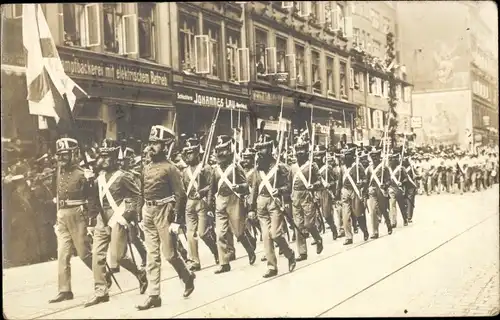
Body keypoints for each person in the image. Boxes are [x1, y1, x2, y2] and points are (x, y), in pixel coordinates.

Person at [136, 125, 196, 311]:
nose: (151, 147)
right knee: (152, 256)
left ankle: (187, 276)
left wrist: (177, 221)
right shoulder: (145, 167)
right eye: (151, 143)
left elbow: (181, 195)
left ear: (165, 146)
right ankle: (154, 295)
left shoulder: (171, 169)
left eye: (156, 144)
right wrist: (140, 214)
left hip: (165, 211)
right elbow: (142, 192)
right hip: (148, 212)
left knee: (170, 254)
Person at [84, 139, 148, 308]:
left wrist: (128, 215)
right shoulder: (98, 179)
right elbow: (93, 200)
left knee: (118, 256)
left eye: (106, 156)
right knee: (97, 254)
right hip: (101, 220)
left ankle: (140, 273)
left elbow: (137, 196)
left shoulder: (124, 176)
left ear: (114, 158)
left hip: (118, 217)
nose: (102, 159)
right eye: (101, 156)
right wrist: (91, 220)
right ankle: (101, 292)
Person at [48, 138, 104, 304]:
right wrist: (56, 217)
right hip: (62, 214)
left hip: (78, 213)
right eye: (60, 155)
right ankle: (64, 290)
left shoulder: (82, 173)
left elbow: (92, 197)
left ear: (74, 154)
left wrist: (90, 181)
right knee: (62, 254)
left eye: (65, 155)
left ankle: (102, 276)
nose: (62, 159)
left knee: (84, 253)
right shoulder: (57, 171)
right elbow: (57, 194)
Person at [249, 134, 296, 278]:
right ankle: (271, 266)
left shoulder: (280, 167)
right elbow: (255, 189)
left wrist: (280, 190)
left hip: (274, 202)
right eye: (258, 149)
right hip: (261, 205)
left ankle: (289, 253)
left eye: (262, 149)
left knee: (275, 234)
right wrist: (251, 208)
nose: (259, 153)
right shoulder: (258, 170)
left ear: (269, 150)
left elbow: (289, 186)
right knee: (266, 237)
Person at [210, 135, 257, 274]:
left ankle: (250, 250)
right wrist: (209, 205)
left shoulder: (236, 167)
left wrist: (239, 187)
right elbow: (212, 189)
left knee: (238, 232)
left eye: (224, 150)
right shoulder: (215, 169)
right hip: (220, 201)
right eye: (219, 150)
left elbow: (246, 187)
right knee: (220, 233)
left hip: (234, 200)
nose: (221, 153)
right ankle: (224, 263)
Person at [181, 134, 219, 271]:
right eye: (187, 153)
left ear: (197, 154)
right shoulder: (184, 172)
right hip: (189, 203)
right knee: (190, 233)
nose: (188, 156)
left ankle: (216, 251)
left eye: (191, 153)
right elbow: (183, 189)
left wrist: (202, 192)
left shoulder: (206, 168)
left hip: (201, 202)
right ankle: (195, 261)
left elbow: (212, 185)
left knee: (202, 233)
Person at [289, 132, 323, 260]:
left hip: (307, 196)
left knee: (309, 224)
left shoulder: (312, 166)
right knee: (298, 225)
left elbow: (320, 182)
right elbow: (288, 184)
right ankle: (302, 252)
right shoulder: (292, 167)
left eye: (302, 151)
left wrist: (313, 186)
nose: (299, 153)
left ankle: (318, 239)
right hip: (295, 197)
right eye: (297, 151)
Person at [336, 147, 369, 245]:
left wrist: (361, 183)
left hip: (355, 191)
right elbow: (340, 181)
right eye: (345, 157)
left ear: (352, 157)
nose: (346, 159)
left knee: (359, 214)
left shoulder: (358, 166)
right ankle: (348, 237)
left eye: (348, 157)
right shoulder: (342, 168)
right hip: (345, 191)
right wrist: (337, 194)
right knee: (345, 216)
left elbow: (365, 179)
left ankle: (364, 230)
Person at [365, 148, 392, 239]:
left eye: (376, 156)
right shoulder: (369, 169)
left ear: (379, 156)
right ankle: (375, 232)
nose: (374, 158)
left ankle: (388, 224)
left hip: (381, 190)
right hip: (372, 190)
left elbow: (389, 180)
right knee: (372, 211)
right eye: (372, 157)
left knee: (383, 210)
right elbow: (367, 181)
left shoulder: (384, 167)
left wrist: (385, 185)